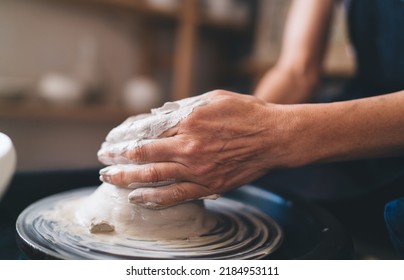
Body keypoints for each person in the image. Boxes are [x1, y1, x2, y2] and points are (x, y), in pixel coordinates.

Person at [98, 0, 404, 256]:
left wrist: (273, 135)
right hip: (362, 109)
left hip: (381, 124)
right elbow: (298, 71)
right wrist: (233, 133)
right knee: (271, 196)